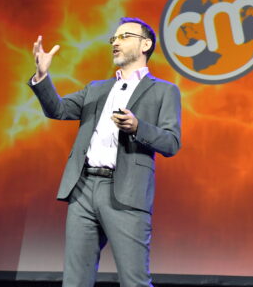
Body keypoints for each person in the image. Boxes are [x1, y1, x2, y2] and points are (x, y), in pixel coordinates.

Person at [28, 17, 182, 287]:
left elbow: (171, 143)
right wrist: (42, 77)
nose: (115, 43)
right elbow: (58, 109)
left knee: (135, 281)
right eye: (114, 38)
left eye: (124, 37)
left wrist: (138, 127)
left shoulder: (164, 91)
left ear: (145, 44)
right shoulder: (96, 88)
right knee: (75, 281)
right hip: (83, 189)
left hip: (127, 192)